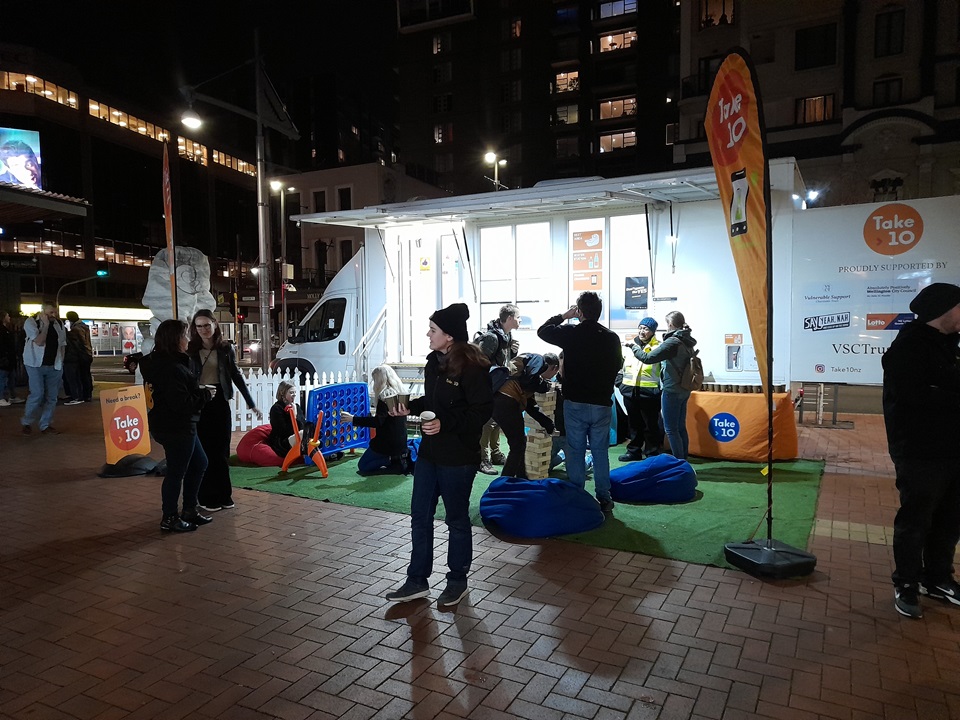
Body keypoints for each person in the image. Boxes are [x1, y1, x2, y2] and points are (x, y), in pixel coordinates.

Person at [385, 302, 493, 607]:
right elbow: (435, 400)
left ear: (449, 336)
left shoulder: (474, 367)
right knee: (420, 516)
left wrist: (446, 424)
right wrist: (412, 407)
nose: (427, 335)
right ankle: (417, 580)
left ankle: (457, 581)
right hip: (430, 456)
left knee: (456, 520)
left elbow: (481, 412)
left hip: (458, 458)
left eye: (433, 330)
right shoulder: (435, 362)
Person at [882, 282, 960, 619]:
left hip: (953, 448)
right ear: (945, 309)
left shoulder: (951, 345)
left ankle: (938, 578)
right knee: (916, 519)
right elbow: (914, 398)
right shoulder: (909, 346)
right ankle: (907, 584)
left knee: (949, 518)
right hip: (918, 450)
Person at [537, 292, 623, 513]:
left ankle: (578, 495)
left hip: (574, 402)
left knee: (575, 450)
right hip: (602, 403)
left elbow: (543, 330)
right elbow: (617, 366)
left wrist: (564, 316)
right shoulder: (611, 337)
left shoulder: (571, 333)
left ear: (580, 311)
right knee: (600, 451)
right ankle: (604, 497)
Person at [139, 319, 216, 533]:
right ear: (176, 339)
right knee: (176, 472)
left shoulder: (161, 362)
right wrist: (205, 394)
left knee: (199, 463)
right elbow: (181, 403)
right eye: (185, 335)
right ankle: (170, 516)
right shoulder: (171, 367)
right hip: (176, 426)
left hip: (170, 424)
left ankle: (189, 509)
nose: (188, 339)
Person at [187, 309, 262, 511]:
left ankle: (224, 495)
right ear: (194, 328)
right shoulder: (190, 350)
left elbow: (236, 376)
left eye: (206, 325)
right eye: (199, 326)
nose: (203, 329)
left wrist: (251, 402)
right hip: (200, 401)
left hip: (219, 399)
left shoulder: (225, 348)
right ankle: (206, 496)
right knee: (205, 451)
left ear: (214, 324)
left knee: (221, 450)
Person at [630, 311, 697, 461]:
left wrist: (633, 347)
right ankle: (683, 459)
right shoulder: (687, 340)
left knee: (671, 429)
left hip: (672, 389)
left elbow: (647, 358)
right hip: (684, 389)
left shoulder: (673, 342)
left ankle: (679, 462)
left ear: (671, 325)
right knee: (680, 427)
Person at [491, 352, 559, 478]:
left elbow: (531, 407)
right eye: (553, 374)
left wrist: (548, 424)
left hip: (499, 401)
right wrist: (545, 386)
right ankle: (505, 483)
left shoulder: (525, 370)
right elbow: (530, 382)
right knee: (518, 445)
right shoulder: (537, 362)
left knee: (519, 443)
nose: (550, 378)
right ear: (553, 368)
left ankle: (521, 477)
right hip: (506, 401)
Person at [341, 364, 411, 475]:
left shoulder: (384, 397)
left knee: (363, 466)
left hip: (386, 445)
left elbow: (378, 422)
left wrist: (352, 419)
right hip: (401, 444)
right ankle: (396, 459)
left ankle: (392, 460)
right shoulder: (400, 394)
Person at [476, 303, 520, 475]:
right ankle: (482, 459)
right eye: (517, 317)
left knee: (495, 423)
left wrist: (513, 353)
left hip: (499, 385)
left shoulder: (506, 337)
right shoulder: (492, 338)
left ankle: (495, 454)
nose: (520, 320)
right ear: (509, 318)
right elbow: (480, 363)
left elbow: (502, 361)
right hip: (488, 386)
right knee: (487, 423)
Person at [618, 317, 663, 461]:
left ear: (653, 332)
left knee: (650, 426)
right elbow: (619, 365)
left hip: (649, 393)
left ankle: (651, 453)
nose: (642, 331)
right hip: (629, 391)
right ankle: (633, 451)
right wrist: (619, 383)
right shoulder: (628, 347)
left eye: (646, 329)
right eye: (641, 328)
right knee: (633, 424)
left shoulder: (659, 348)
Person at [20, 302, 66, 435]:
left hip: (54, 365)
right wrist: (45, 325)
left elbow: (62, 343)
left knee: (52, 397)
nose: (54, 315)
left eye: (55, 312)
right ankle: (27, 422)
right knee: (37, 393)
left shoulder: (59, 324)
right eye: (50, 312)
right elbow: (39, 342)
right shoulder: (31, 322)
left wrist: (61, 361)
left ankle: (45, 425)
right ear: (42, 312)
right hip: (35, 364)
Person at [62, 311, 93, 405]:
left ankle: (82, 395)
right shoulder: (84, 326)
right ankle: (87, 395)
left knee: (81, 376)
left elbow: (78, 343)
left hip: (82, 354)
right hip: (88, 354)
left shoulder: (76, 329)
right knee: (86, 375)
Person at [267, 381, 304, 459]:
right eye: (291, 392)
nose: (294, 395)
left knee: (309, 431)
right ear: (282, 393)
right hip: (282, 441)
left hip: (297, 436)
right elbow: (283, 431)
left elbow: (302, 426)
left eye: (295, 392)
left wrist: (296, 414)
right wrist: (293, 416)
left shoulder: (296, 407)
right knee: (303, 434)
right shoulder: (276, 408)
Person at [0, 311, 14, 407]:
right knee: (2, 378)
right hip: (4, 358)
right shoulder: (3, 330)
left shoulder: (6, 329)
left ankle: (7, 396)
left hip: (7, 358)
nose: (9, 317)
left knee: (6, 377)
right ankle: (1, 397)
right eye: (7, 316)